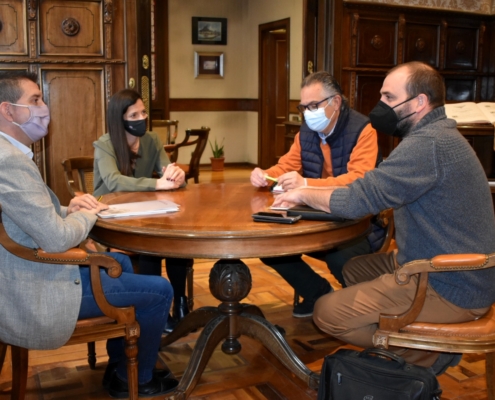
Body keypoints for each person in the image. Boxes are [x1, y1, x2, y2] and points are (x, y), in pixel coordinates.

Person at [272, 61, 495, 374]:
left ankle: (421, 356)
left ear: (419, 102)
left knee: (326, 313)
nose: (381, 106)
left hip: (450, 283)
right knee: (354, 268)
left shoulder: (427, 145)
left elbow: (358, 199)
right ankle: (405, 335)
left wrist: (303, 192)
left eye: (389, 98)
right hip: (444, 266)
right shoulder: (437, 135)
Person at [0, 71, 178, 397]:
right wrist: (86, 215)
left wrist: (69, 208)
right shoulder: (8, 160)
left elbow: (28, 218)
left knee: (120, 265)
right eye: (35, 100)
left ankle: (119, 366)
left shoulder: (10, 154)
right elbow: (55, 240)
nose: (44, 108)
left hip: (29, 271)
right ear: (8, 111)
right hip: (36, 290)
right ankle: (134, 380)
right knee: (160, 290)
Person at [250, 71, 383, 318]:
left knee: (339, 257)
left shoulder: (364, 130)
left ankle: (366, 311)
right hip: (313, 217)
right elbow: (286, 165)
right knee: (271, 247)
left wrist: (307, 185)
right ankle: (317, 293)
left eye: (314, 105)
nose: (308, 112)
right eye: (304, 107)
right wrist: (264, 174)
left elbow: (359, 180)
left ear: (336, 102)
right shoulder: (306, 132)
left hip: (355, 221)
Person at [93, 89, 192, 333]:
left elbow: (167, 171)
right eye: (134, 114)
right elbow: (114, 181)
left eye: (143, 112)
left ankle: (180, 303)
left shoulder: (151, 140)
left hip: (146, 209)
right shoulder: (104, 145)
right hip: (112, 214)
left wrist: (176, 175)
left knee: (175, 240)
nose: (141, 118)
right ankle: (156, 310)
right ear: (120, 119)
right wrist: (156, 183)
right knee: (150, 248)